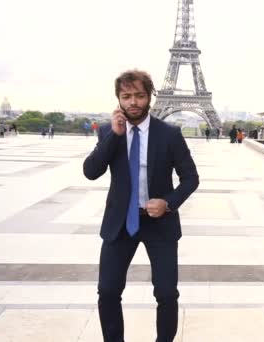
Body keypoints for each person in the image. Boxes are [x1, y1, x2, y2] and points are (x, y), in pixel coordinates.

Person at [83, 69, 199, 342]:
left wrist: (168, 203)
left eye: (139, 95)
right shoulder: (110, 132)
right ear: (119, 100)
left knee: (167, 293)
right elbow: (91, 171)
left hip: (160, 222)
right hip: (120, 223)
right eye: (126, 97)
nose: (133, 102)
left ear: (149, 97)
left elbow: (191, 178)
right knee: (108, 291)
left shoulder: (169, 134)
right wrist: (113, 135)